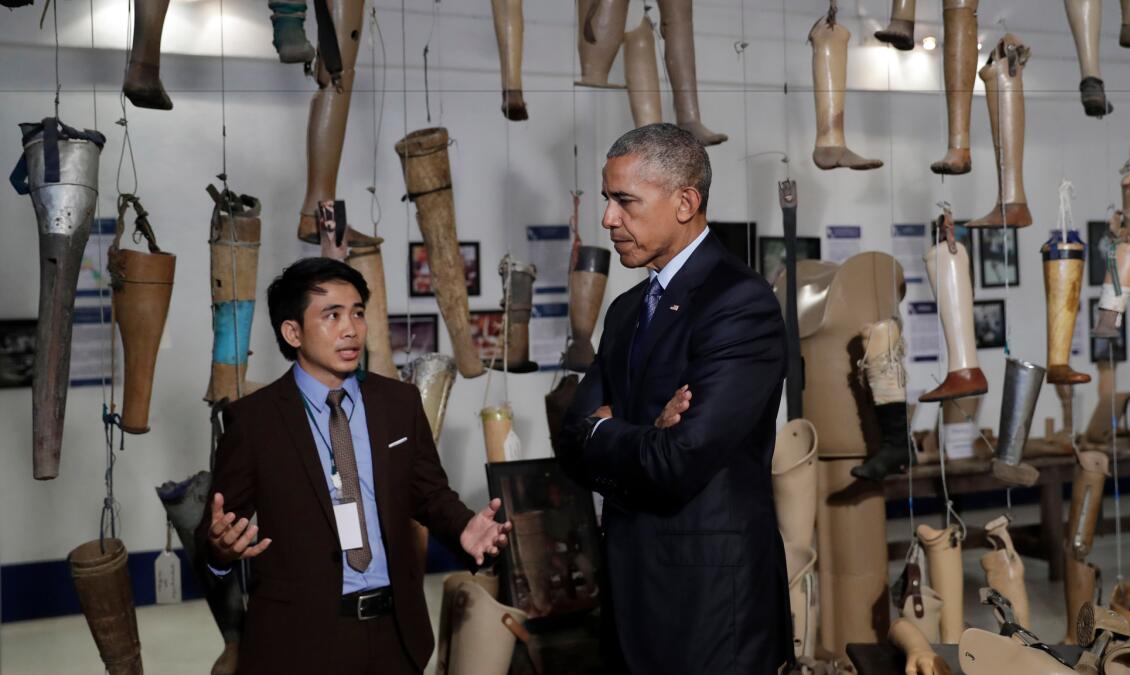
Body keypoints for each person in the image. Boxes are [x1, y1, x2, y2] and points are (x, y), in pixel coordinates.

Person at [194, 257, 511, 674]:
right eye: (332, 315)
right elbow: (215, 531)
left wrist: (464, 527)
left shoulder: (398, 403)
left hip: (395, 635)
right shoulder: (255, 422)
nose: (351, 329)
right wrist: (220, 549)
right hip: (298, 643)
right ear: (293, 332)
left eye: (358, 313)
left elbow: (429, 493)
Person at [558, 123, 791, 673]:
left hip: (710, 604)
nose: (608, 219)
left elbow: (679, 458)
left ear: (685, 202)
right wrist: (638, 433)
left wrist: (609, 430)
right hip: (629, 590)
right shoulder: (624, 311)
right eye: (607, 199)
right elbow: (570, 439)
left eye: (624, 201)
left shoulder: (739, 302)